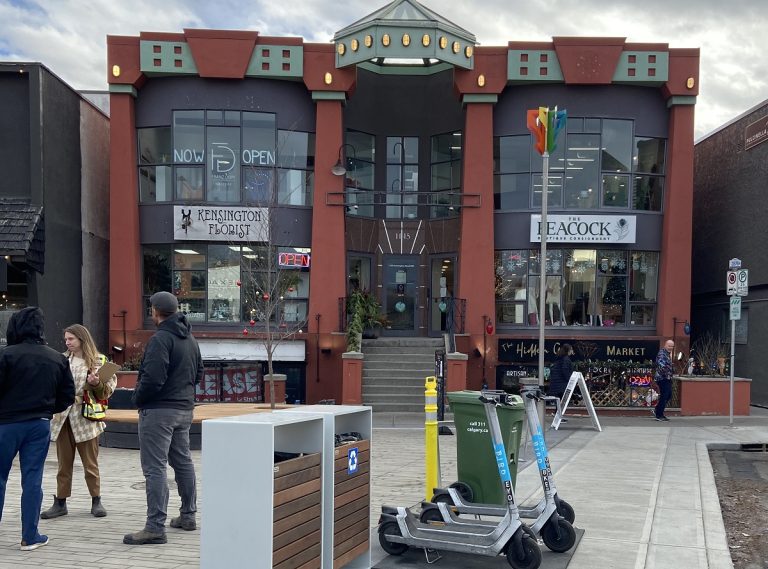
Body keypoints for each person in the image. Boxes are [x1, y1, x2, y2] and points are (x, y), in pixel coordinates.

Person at [123, 291, 203, 546]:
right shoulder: (190, 339)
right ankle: (188, 516)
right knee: (183, 462)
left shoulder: (160, 339)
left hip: (158, 411)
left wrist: (137, 398)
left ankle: (155, 527)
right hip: (184, 409)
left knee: (155, 468)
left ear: (155, 311)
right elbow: (199, 374)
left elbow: (153, 378)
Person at [0, 307, 75, 551]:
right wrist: (47, 409)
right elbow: (67, 396)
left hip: (5, 423)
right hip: (39, 423)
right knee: (32, 479)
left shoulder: (5, 355)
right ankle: (30, 536)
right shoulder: (57, 358)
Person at [41, 324, 118, 520]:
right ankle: (60, 502)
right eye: (66, 339)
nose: (67, 342)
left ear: (82, 339)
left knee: (90, 463)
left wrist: (96, 383)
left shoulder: (99, 361)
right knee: (63, 464)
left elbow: (106, 392)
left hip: (86, 418)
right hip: (62, 417)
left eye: (71, 339)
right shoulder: (61, 359)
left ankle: (96, 500)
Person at [654, 339, 674, 421]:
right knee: (665, 396)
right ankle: (659, 415)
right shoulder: (662, 354)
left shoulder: (667, 354)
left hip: (666, 378)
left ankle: (657, 410)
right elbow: (662, 366)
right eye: (669, 346)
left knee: (668, 395)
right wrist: (669, 373)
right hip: (662, 378)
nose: (670, 348)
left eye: (672, 346)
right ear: (665, 345)